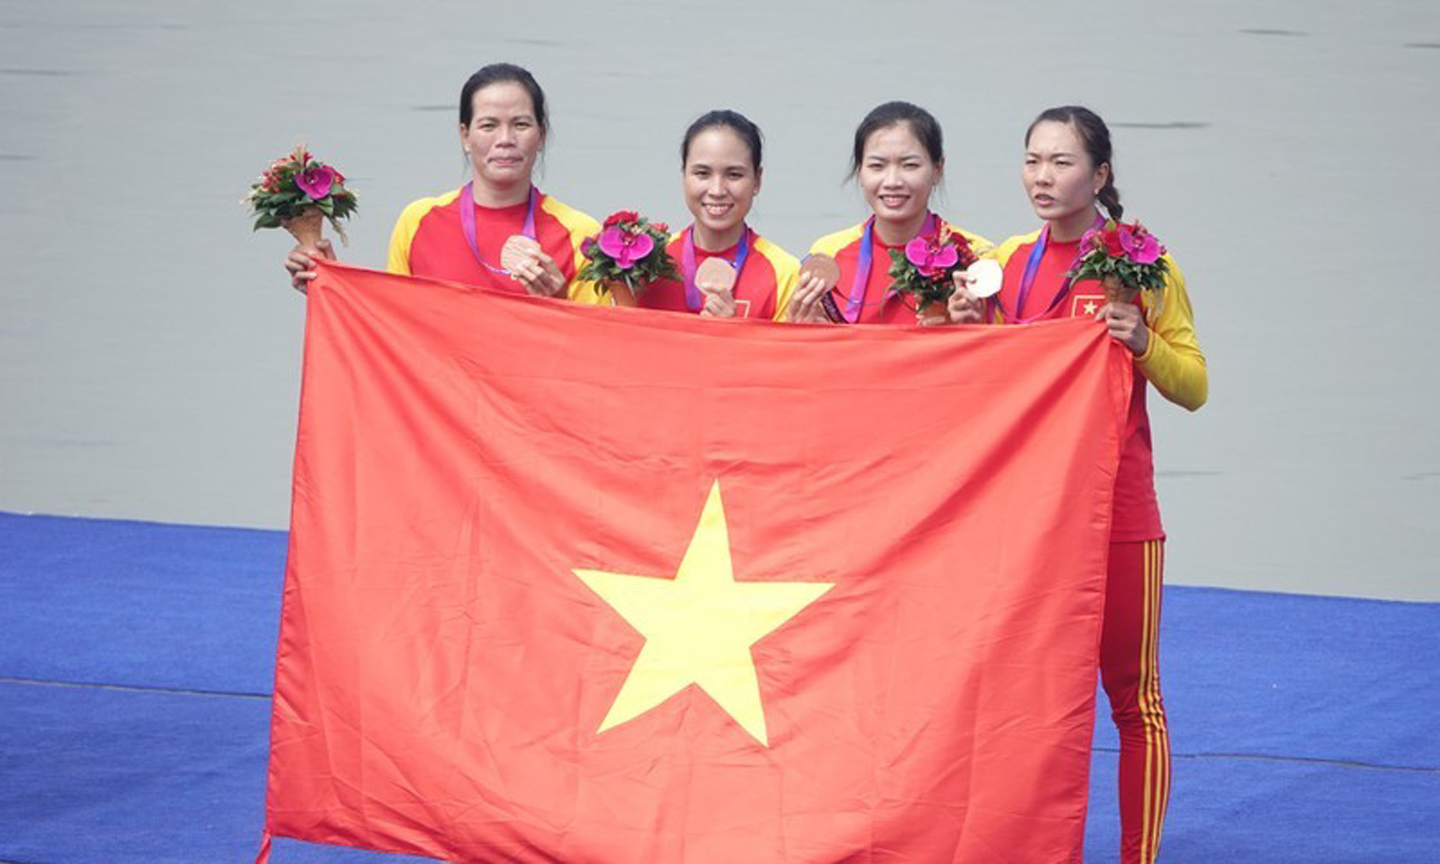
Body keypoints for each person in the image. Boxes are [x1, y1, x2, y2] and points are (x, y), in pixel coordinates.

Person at [952, 105, 1207, 864]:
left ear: (1100, 176)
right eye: (1033, 160)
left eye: (1062, 163)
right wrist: (968, 325)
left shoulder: (1143, 266)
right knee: (1018, 701)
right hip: (1028, 521)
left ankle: (1139, 857)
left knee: (1134, 700)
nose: (1043, 177)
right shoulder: (1004, 264)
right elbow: (990, 390)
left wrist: (1145, 343)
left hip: (1120, 511)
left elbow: (1195, 386)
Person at [286, 63, 598, 298]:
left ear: (541, 135)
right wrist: (331, 285)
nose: (505, 139)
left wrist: (560, 305)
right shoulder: (419, 220)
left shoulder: (580, 235)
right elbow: (393, 331)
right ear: (465, 135)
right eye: (488, 125)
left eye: (521, 124)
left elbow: (598, 356)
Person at [785, 101, 990, 324]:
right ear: (860, 171)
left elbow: (1004, 351)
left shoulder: (977, 256)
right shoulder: (827, 256)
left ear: (937, 168)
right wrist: (807, 334)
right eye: (877, 166)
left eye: (909, 165)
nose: (892, 181)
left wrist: (972, 331)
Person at [612, 110, 797, 320]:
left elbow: (788, 353)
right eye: (702, 173)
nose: (717, 190)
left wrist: (733, 336)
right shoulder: (645, 264)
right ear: (684, 175)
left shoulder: (783, 273)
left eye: (734, 175)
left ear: (757, 181)